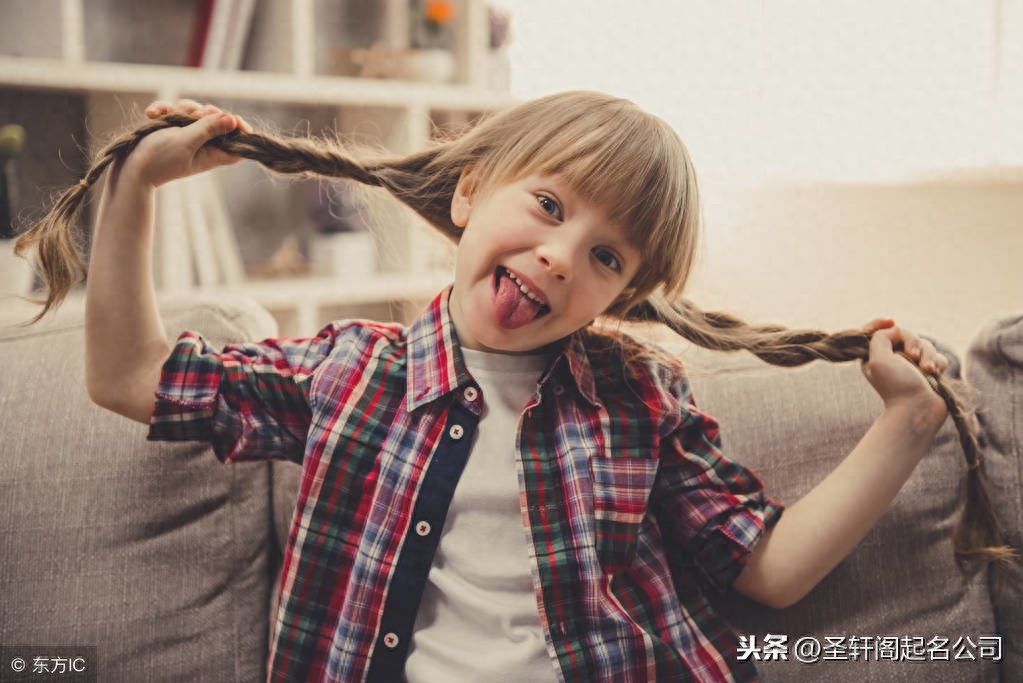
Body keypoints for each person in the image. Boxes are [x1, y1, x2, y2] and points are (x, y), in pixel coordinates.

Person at [14, 91, 1008, 682]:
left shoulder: (640, 400)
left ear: (624, 292)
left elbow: (769, 570)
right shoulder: (346, 375)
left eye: (607, 254)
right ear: (469, 191)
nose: (562, 255)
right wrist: (134, 188)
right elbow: (130, 375)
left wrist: (908, 419)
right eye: (547, 203)